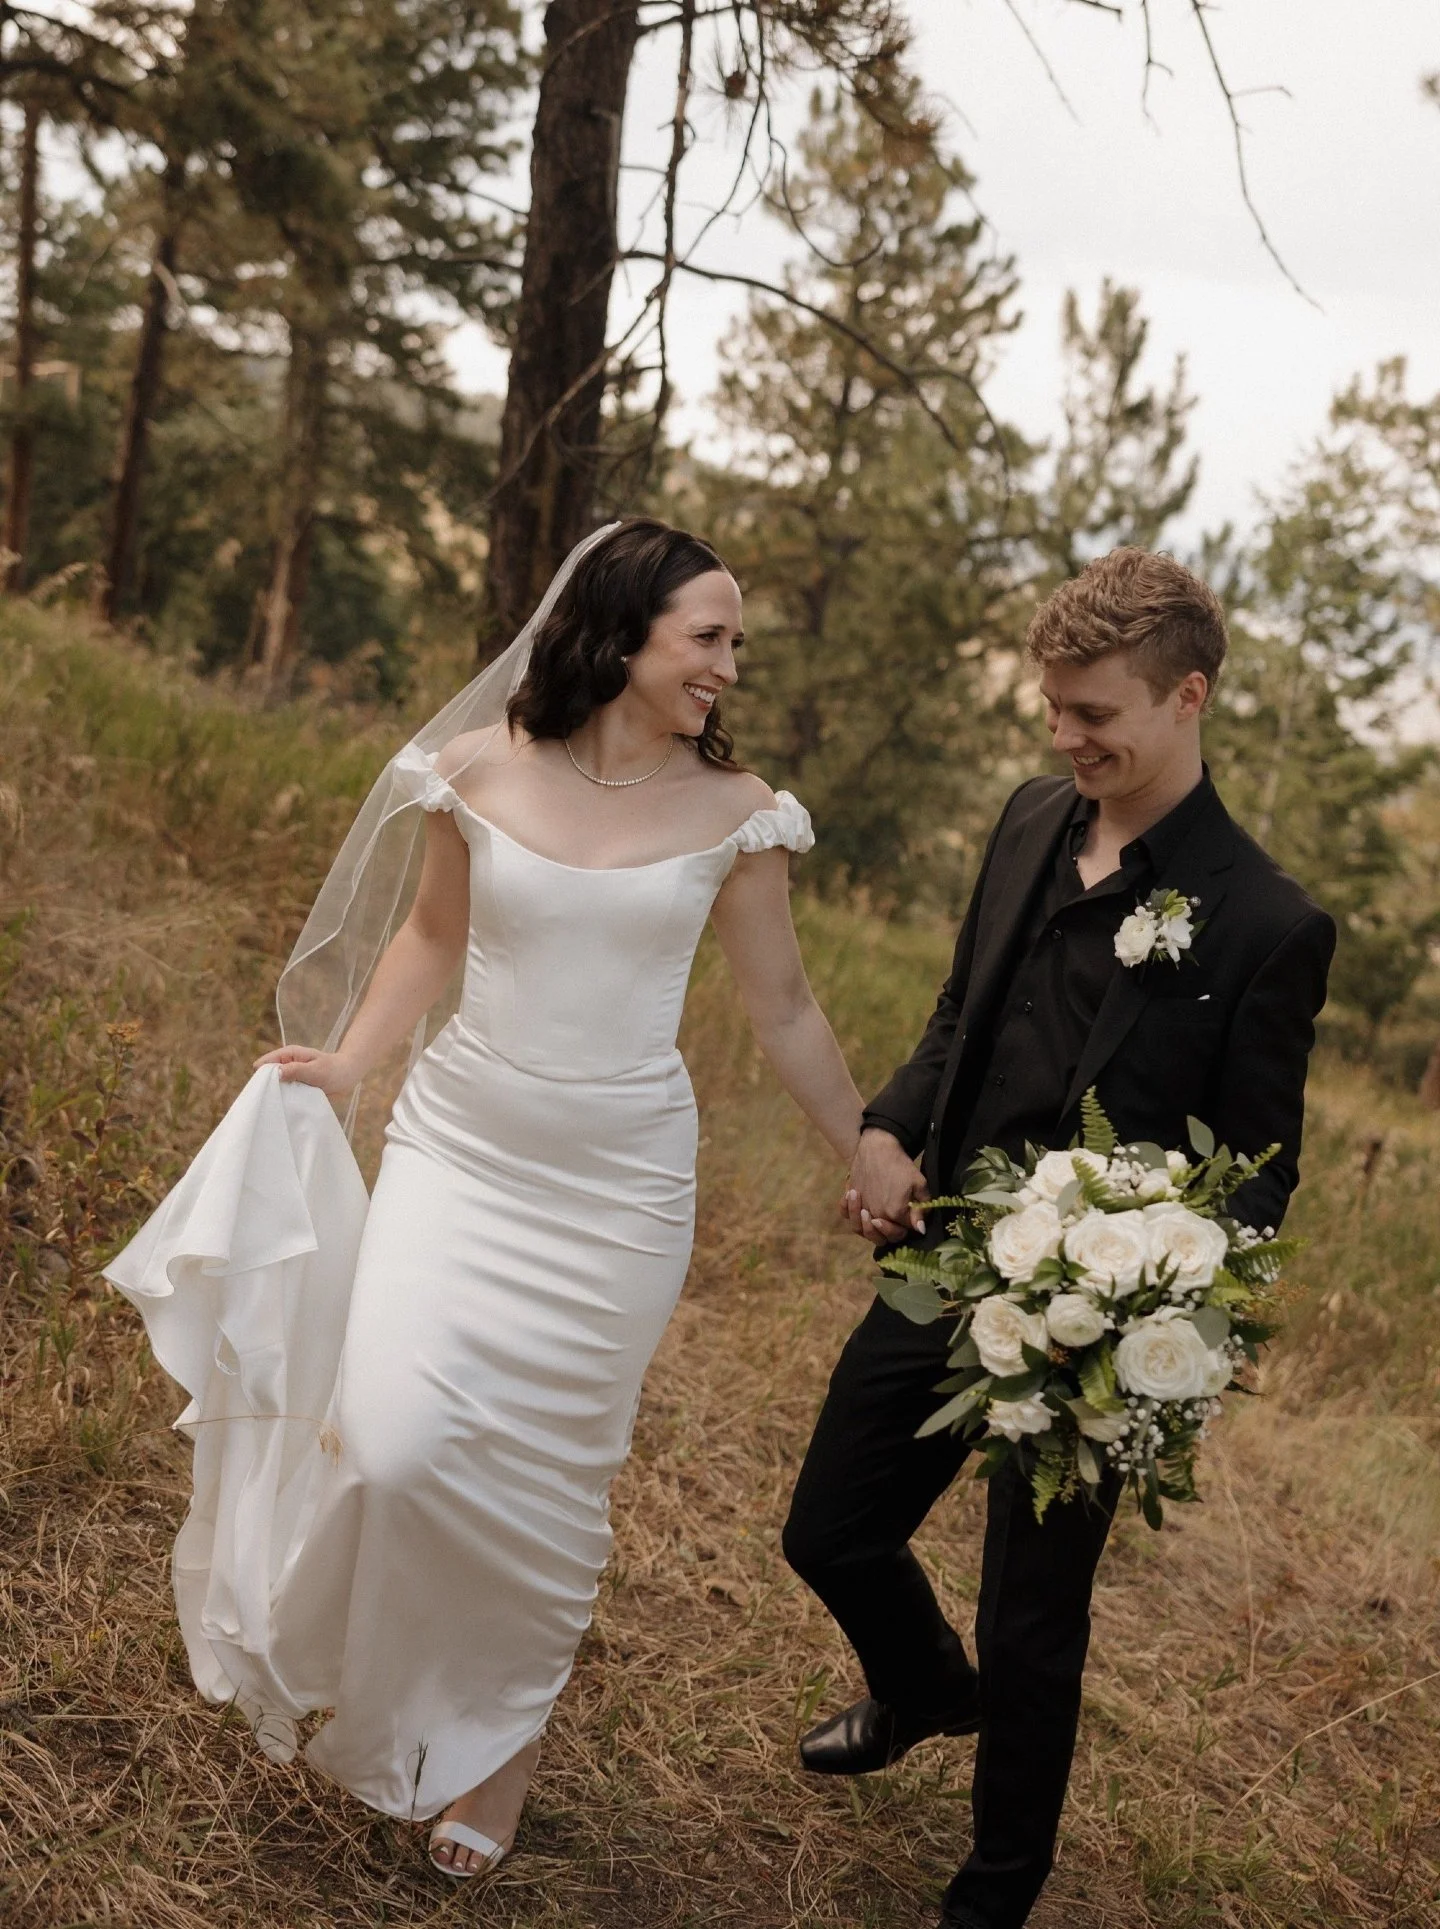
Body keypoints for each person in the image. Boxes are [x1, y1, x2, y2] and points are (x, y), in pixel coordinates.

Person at [108, 518, 865, 1878]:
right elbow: (431, 934)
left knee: (552, 1485)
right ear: (623, 632)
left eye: (736, 643)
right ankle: (402, 1683)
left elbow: (788, 1010)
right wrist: (350, 1062)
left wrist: (865, 1148)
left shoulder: (739, 813)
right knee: (393, 1449)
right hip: (460, 1154)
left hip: (622, 1192)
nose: (728, 667)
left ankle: (501, 1739)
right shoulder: (478, 770)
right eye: (708, 637)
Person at [781, 547, 1336, 1929]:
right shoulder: (1032, 817)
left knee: (1032, 1621)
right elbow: (957, 1012)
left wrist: (1158, 1308)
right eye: (1053, 707)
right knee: (829, 1532)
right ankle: (924, 1687)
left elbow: (1259, 1176)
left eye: (1094, 713)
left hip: (1091, 1328)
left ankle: (997, 1890)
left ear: (1188, 696)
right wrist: (889, 1127)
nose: (1063, 737)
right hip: (948, 1261)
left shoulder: (1269, 923)